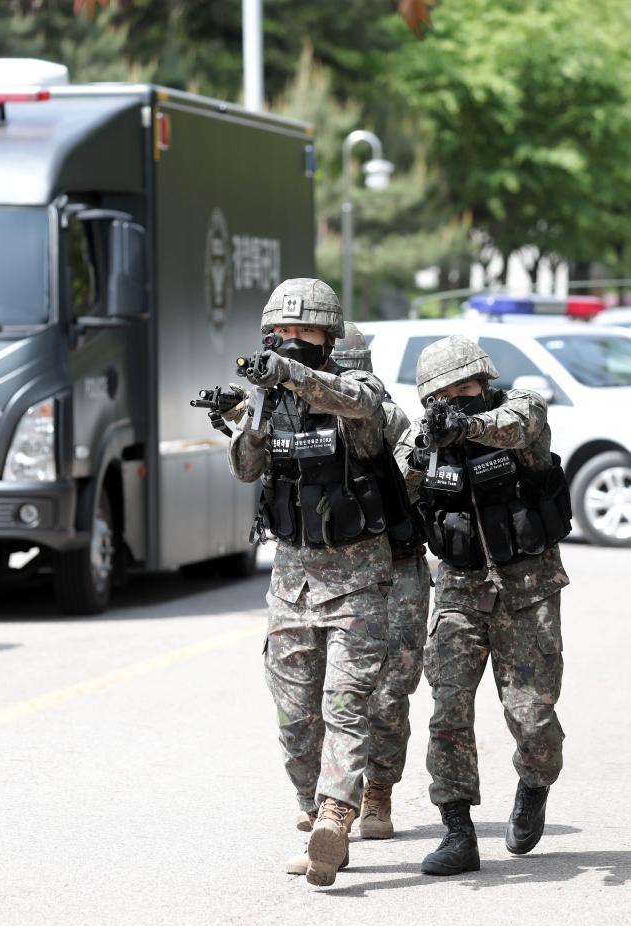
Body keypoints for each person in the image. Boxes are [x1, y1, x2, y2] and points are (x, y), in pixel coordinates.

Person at [228, 278, 408, 887]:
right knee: (294, 719)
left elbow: (358, 408)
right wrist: (252, 408)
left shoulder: (359, 391)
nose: (290, 342)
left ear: (328, 336)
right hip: (291, 585)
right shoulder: (271, 396)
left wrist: (290, 374)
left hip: (357, 583)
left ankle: (338, 811)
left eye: (303, 333)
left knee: (345, 704)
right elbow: (247, 467)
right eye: (280, 334)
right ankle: (315, 818)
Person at [394, 335, 571, 876]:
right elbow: (399, 492)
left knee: (534, 718)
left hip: (528, 588)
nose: (456, 399)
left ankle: (534, 785)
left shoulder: (521, 411)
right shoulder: (425, 439)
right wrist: (420, 460)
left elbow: (521, 426)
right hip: (459, 591)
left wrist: (467, 427)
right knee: (447, 711)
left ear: (484, 382)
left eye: (465, 388)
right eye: (442, 394)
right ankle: (457, 831)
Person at [331, 322, 430, 841]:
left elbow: (409, 487)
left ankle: (379, 791)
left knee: (390, 693)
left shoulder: (389, 417)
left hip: (397, 569)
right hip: (337, 575)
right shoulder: (307, 413)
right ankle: (334, 800)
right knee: (341, 695)